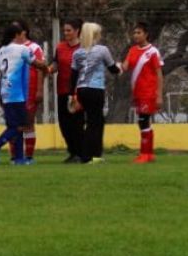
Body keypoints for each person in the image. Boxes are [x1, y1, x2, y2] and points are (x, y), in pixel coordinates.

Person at [0, 23, 49, 165]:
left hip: (5, 93)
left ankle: (19, 158)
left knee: (16, 126)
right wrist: (45, 66)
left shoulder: (0, 52)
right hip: (17, 93)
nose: (22, 37)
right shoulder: (22, 49)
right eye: (20, 35)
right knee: (18, 126)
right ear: (17, 35)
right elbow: (36, 64)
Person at [70, 22, 122, 164]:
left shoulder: (77, 53)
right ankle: (93, 156)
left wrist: (72, 95)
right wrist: (120, 67)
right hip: (95, 89)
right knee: (96, 123)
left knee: (89, 122)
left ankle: (85, 154)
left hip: (81, 89)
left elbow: (73, 75)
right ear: (95, 35)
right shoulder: (102, 50)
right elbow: (112, 68)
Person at [121, 22, 164, 164]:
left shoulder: (153, 52)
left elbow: (159, 74)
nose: (136, 35)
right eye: (134, 33)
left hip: (148, 91)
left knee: (143, 121)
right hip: (137, 92)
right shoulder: (132, 50)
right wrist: (115, 66)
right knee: (144, 122)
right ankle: (149, 154)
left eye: (139, 32)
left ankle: (144, 154)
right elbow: (125, 66)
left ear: (146, 34)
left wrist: (159, 95)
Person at [48, 18, 85, 163]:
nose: (66, 33)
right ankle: (72, 151)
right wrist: (48, 70)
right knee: (64, 123)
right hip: (62, 90)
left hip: (78, 91)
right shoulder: (60, 47)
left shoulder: (83, 48)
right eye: (64, 30)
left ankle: (81, 153)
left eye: (69, 30)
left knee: (77, 123)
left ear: (77, 31)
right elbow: (55, 64)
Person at [17, 21, 45, 162]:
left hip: (30, 89)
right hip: (14, 91)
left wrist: (39, 89)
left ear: (24, 32)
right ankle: (16, 155)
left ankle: (28, 156)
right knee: (15, 124)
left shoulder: (34, 47)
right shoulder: (10, 48)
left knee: (28, 122)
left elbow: (41, 68)